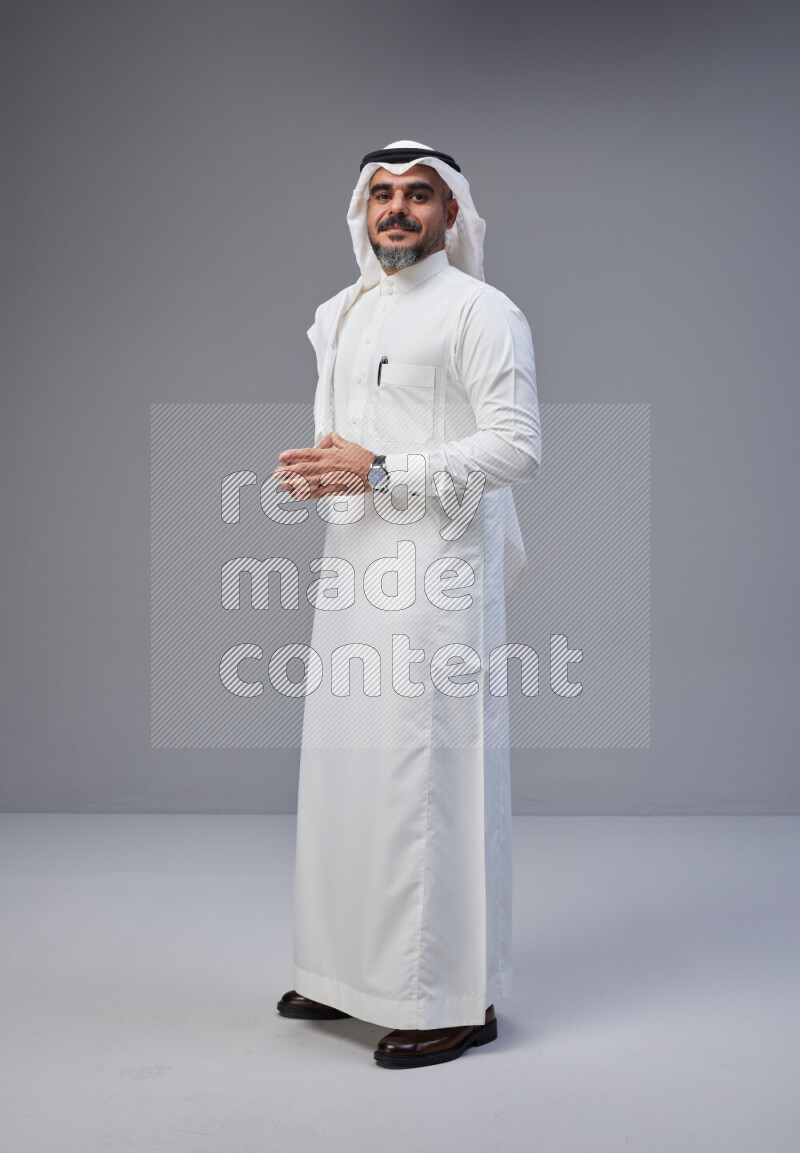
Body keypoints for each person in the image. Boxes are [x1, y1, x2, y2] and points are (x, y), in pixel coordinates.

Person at [273, 140, 541, 1068]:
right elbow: (343, 439)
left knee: (427, 781)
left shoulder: (482, 311)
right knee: (346, 773)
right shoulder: (337, 313)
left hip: (439, 576)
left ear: (452, 213)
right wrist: (330, 478)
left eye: (418, 195)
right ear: (362, 211)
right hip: (353, 567)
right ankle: (347, 973)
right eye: (382, 195)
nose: (397, 210)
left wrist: (385, 470)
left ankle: (450, 995)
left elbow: (516, 447)